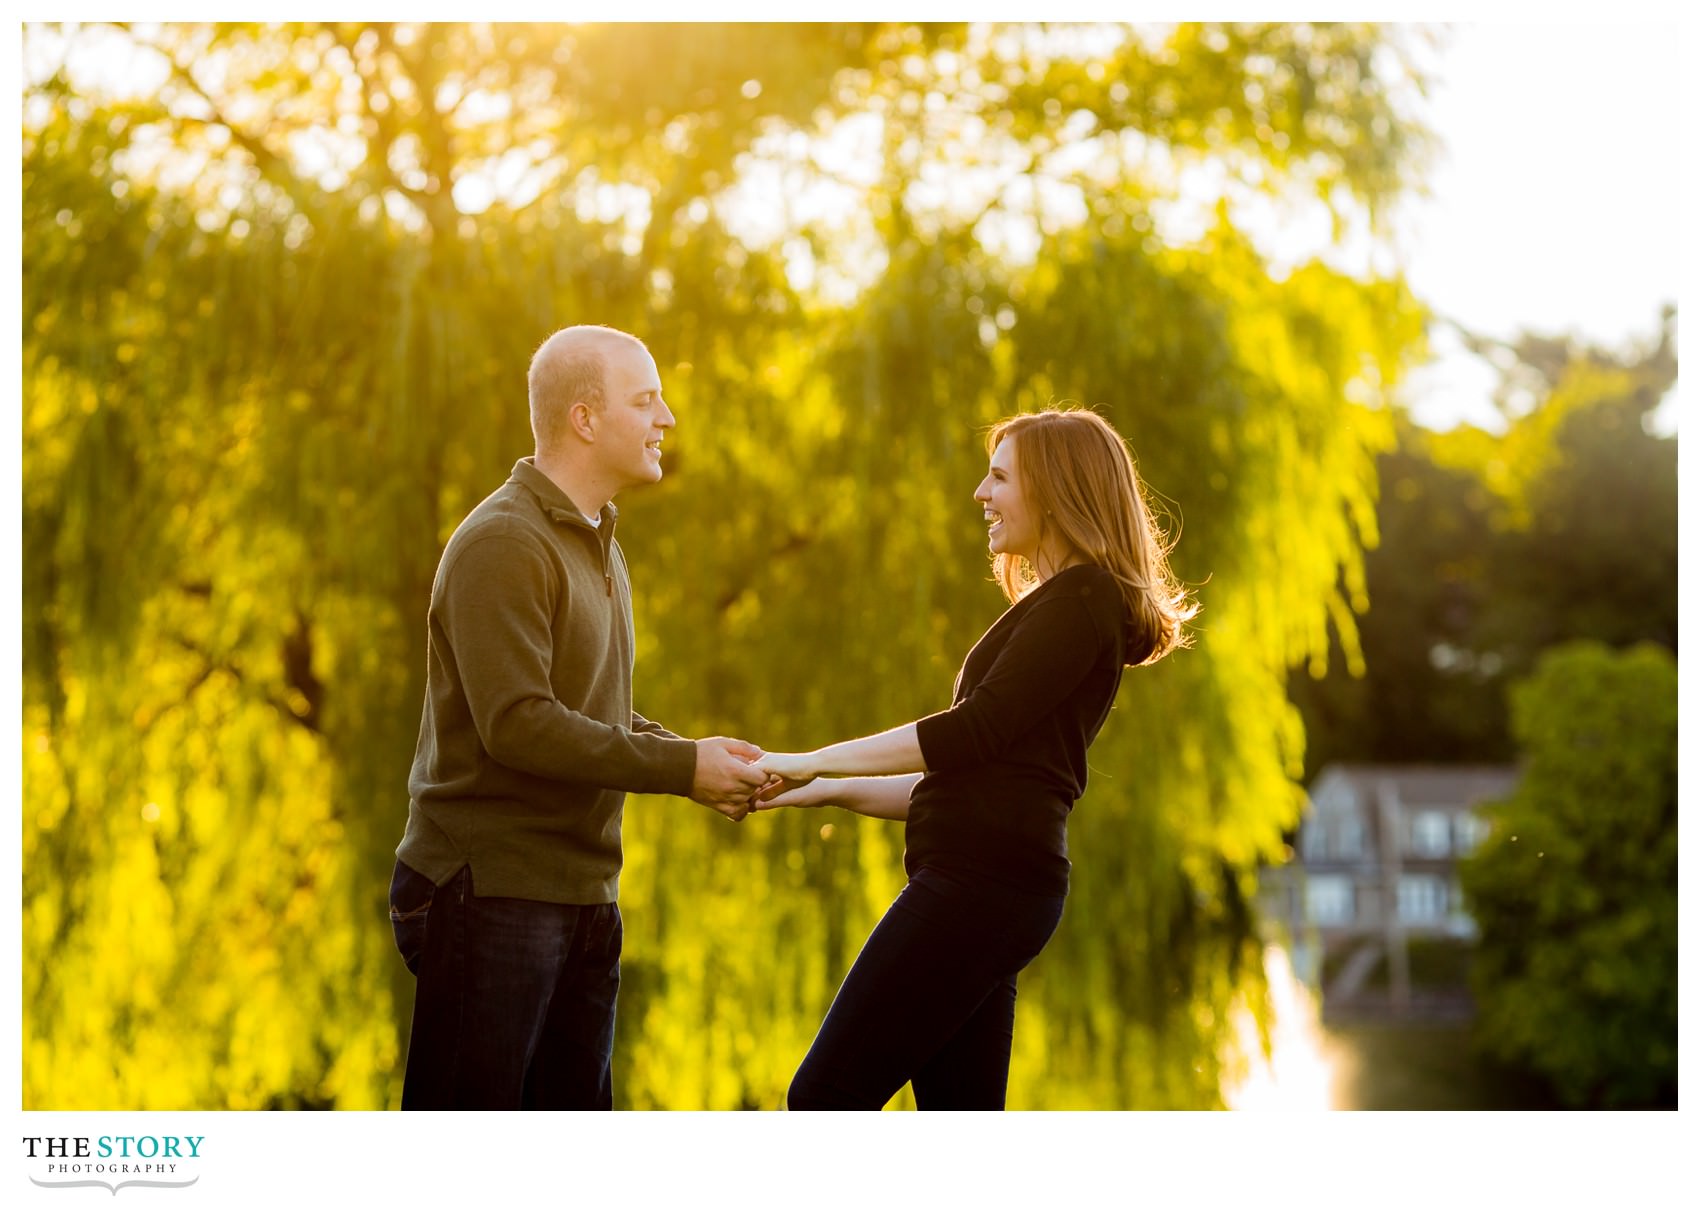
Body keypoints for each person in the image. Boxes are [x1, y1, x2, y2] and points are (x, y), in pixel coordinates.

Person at [754, 407, 1197, 1110]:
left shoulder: (1081, 598)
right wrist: (818, 789)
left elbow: (970, 733)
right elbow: (961, 782)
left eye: (998, 476)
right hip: (990, 888)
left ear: (1053, 490)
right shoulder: (1065, 604)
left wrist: (810, 758)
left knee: (824, 1098)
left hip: (981, 888)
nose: (979, 494)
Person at [388, 324, 768, 1110]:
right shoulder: (503, 541)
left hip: (583, 893)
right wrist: (680, 768)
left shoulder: (598, 545)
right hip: (489, 890)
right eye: (646, 400)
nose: (666, 417)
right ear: (585, 419)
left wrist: (699, 756)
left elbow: (596, 711)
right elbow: (521, 724)